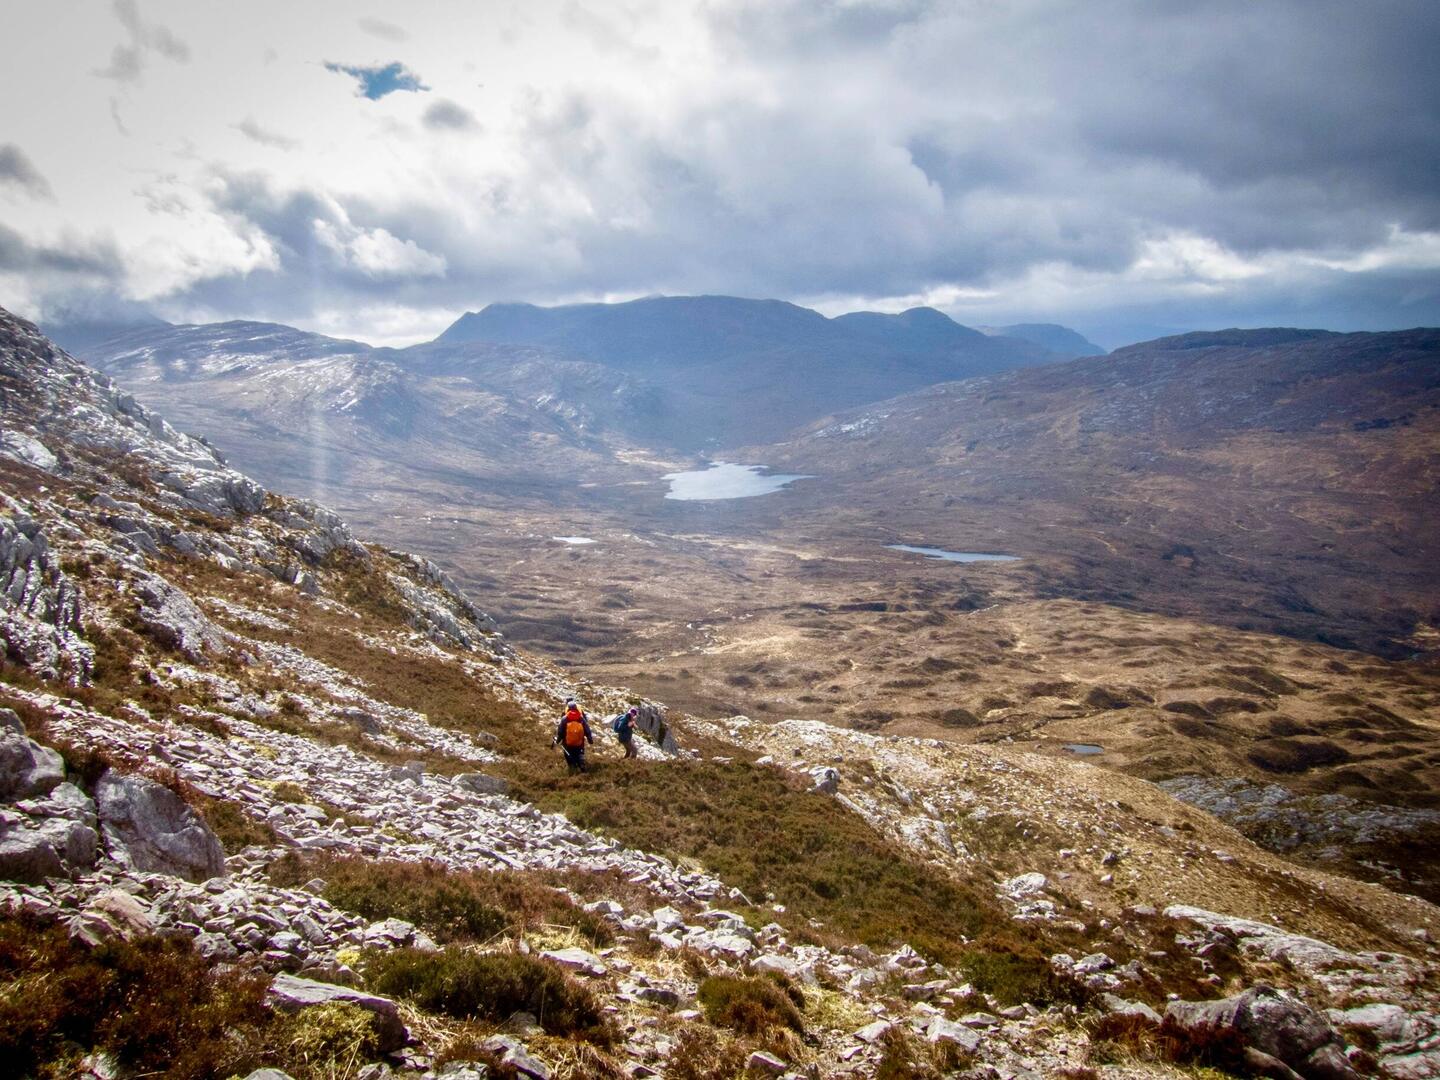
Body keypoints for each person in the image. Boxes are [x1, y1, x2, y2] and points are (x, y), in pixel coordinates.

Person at [552, 698, 593, 773]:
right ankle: (581, 763)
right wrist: (590, 739)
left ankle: (572, 768)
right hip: (579, 741)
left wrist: (558, 740)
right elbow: (587, 729)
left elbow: (560, 731)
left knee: (568, 754)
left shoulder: (564, 719)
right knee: (579, 752)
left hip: (567, 742)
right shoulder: (581, 718)